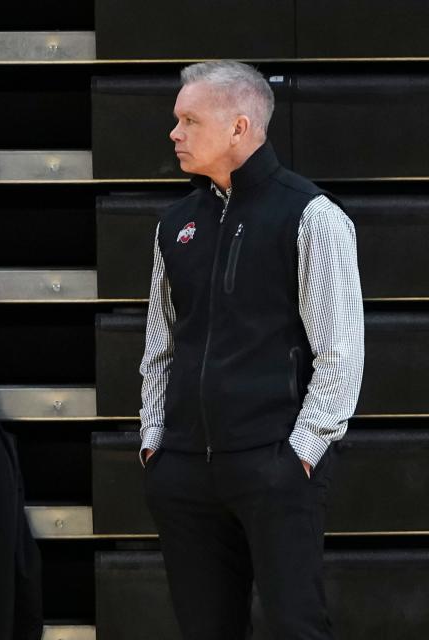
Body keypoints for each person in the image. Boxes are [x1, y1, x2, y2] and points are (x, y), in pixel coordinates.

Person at [138, 60, 364, 638]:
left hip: (274, 465)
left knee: (297, 627)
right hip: (185, 471)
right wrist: (154, 445)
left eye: (189, 120)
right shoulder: (175, 225)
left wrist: (298, 458)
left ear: (239, 127)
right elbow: (159, 347)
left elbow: (340, 356)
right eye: (176, 120)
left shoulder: (311, 216)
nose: (175, 133)